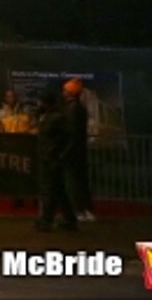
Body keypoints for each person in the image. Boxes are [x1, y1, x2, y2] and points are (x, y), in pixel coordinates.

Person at [33, 91, 78, 232]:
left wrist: (60, 156)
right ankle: (70, 219)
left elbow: (69, 139)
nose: (38, 105)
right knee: (58, 190)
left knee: (50, 189)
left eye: (41, 102)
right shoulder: (48, 117)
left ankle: (47, 220)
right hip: (49, 158)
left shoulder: (58, 118)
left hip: (53, 159)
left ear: (46, 103)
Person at [62, 78, 96, 221]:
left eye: (65, 90)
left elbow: (72, 132)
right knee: (81, 180)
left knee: (74, 181)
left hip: (73, 151)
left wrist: (65, 150)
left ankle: (79, 210)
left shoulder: (72, 109)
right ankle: (86, 209)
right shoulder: (80, 108)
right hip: (80, 150)